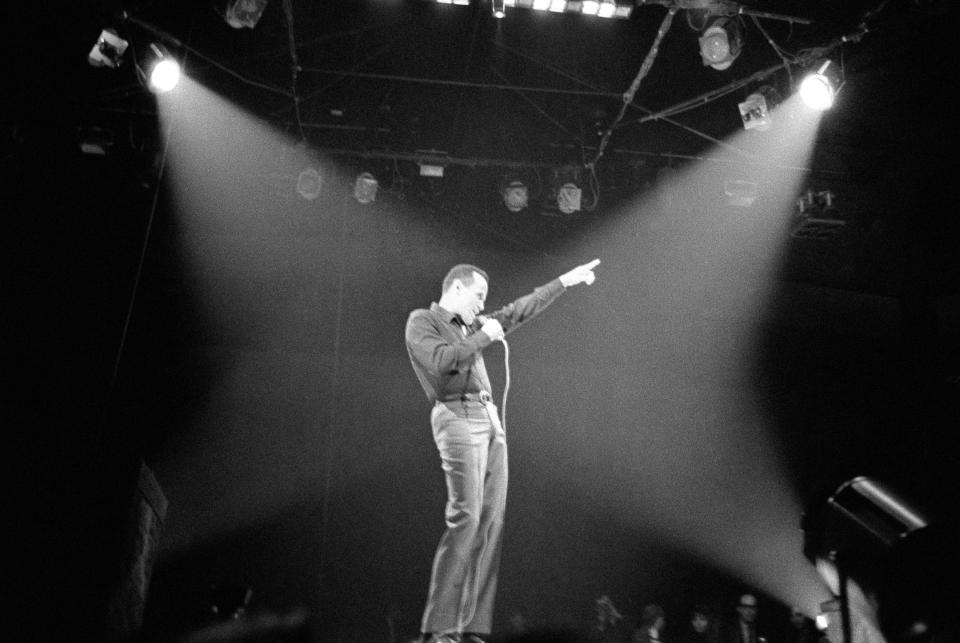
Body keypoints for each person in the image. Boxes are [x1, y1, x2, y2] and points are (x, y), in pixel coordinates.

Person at [406, 259, 601, 643]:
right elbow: (442, 361)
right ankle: (440, 629)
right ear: (456, 289)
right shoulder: (422, 321)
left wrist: (563, 281)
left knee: (491, 522)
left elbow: (516, 311)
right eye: (478, 296)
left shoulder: (473, 325)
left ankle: (472, 627)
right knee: (466, 516)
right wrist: (485, 337)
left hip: (490, 419)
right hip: (457, 415)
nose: (482, 304)